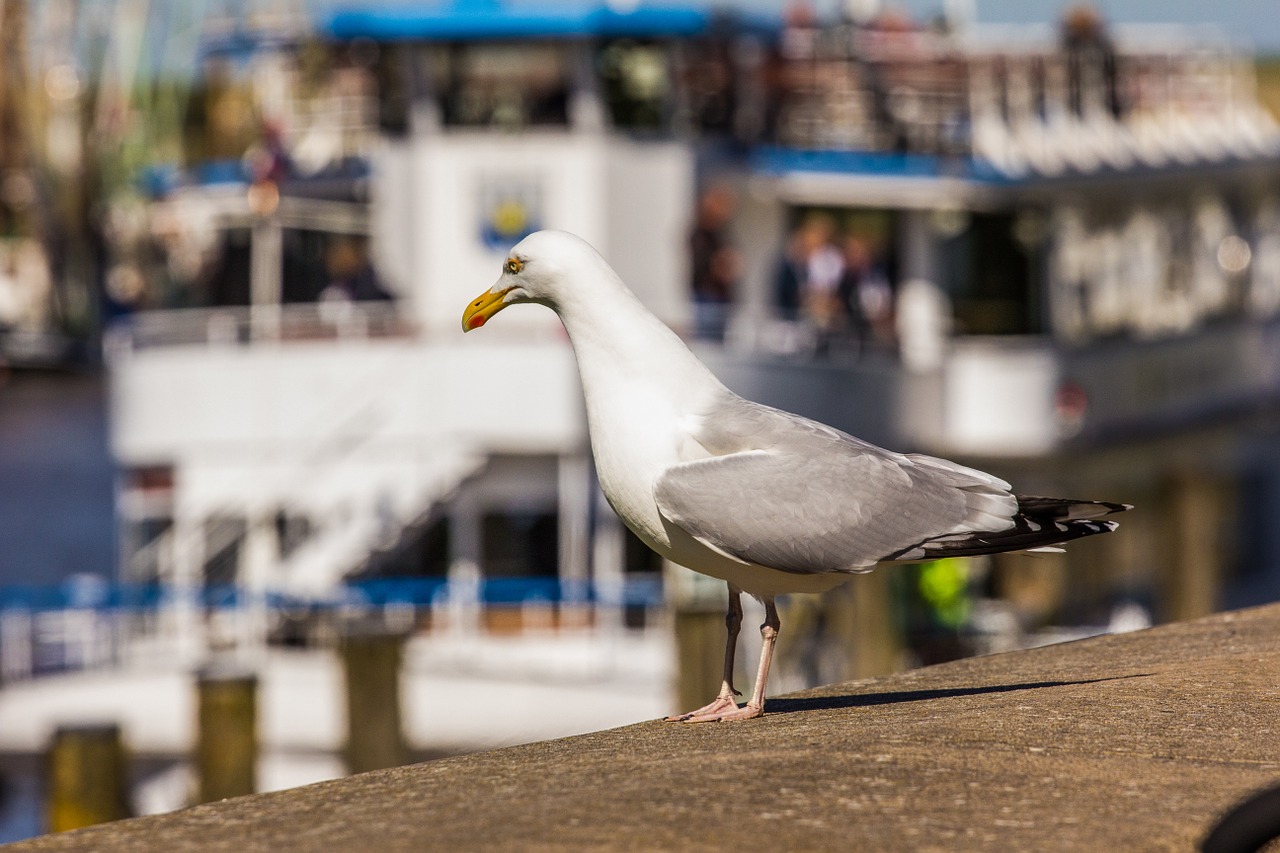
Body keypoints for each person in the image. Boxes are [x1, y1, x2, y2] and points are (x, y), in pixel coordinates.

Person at [688, 187, 739, 341]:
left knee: (718, 340)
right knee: (707, 342)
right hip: (707, 295)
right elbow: (703, 263)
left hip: (719, 296)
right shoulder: (701, 232)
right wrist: (721, 263)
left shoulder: (720, 231)